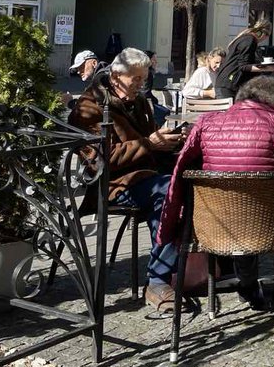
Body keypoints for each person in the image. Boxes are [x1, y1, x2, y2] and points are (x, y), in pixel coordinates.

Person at [157, 77, 274, 309]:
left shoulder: (206, 124)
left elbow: (182, 168)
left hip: (216, 222)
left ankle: (248, 287)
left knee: (240, 214)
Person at [68, 47, 186, 313]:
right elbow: (99, 160)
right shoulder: (90, 107)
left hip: (146, 176)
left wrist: (169, 141)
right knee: (170, 191)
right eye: (137, 79)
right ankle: (159, 279)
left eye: (144, 79)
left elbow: (150, 141)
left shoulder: (139, 101)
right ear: (117, 76)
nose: (141, 85)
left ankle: (171, 274)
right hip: (113, 184)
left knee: (183, 186)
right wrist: (149, 143)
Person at [215, 19, 274, 100]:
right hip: (228, 84)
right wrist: (266, 68)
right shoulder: (249, 40)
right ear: (264, 34)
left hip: (227, 82)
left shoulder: (244, 38)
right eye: (267, 36)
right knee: (231, 112)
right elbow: (243, 66)